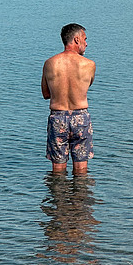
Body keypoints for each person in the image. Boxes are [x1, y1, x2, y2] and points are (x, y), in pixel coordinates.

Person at [41, 23, 96, 175]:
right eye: (84, 39)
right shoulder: (89, 65)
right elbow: (85, 88)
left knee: (57, 170)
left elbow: (46, 94)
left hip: (57, 117)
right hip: (80, 117)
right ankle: (80, 197)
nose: (86, 43)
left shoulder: (49, 63)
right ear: (76, 39)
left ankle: (58, 198)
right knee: (81, 170)